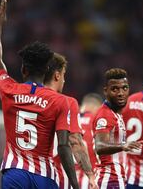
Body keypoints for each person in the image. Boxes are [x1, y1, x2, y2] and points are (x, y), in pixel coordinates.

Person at [0, 0, 79, 189]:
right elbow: (64, 146)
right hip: (44, 177)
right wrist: (75, 184)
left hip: (15, 174)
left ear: (23, 70)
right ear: (48, 70)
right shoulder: (59, 101)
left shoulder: (8, 89)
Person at [43, 53, 95, 189]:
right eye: (64, 75)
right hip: (57, 176)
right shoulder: (66, 102)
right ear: (57, 75)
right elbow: (75, 141)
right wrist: (90, 175)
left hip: (30, 174)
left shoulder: (28, 99)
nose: (64, 81)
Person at [93, 68, 142, 189]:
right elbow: (99, 146)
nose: (121, 93)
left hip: (117, 179)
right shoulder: (105, 115)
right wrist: (122, 146)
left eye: (124, 88)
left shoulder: (116, 114)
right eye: (115, 89)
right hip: (109, 180)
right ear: (106, 91)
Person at [77, 93, 103, 188]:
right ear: (98, 108)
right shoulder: (98, 122)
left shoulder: (67, 120)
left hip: (65, 180)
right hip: (90, 181)